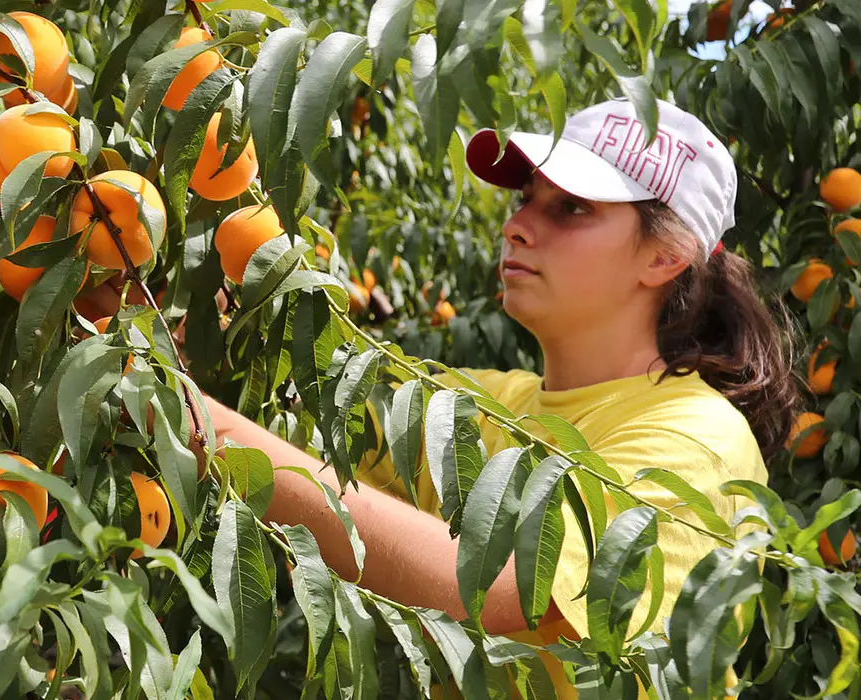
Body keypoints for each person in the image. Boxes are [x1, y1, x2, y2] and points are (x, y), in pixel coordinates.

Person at [90, 97, 798, 696]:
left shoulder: (700, 437)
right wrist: (114, 277)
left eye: (572, 208)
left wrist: (196, 423)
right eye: (526, 199)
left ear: (664, 255)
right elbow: (309, 404)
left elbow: (508, 593)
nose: (518, 224)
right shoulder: (489, 403)